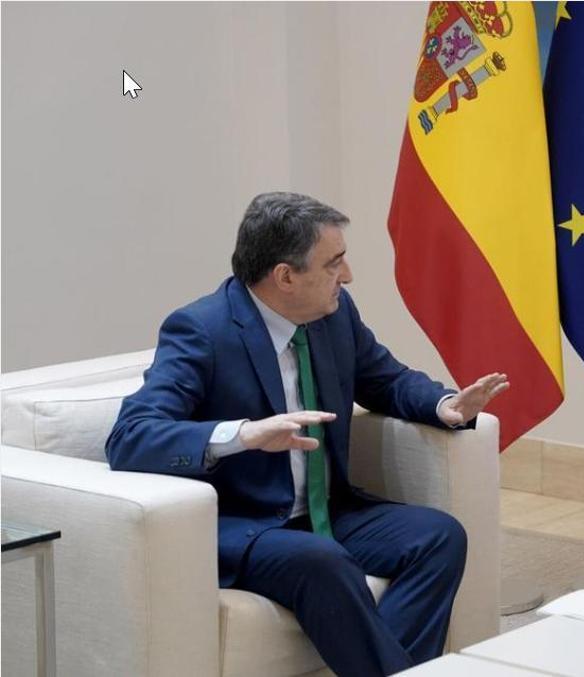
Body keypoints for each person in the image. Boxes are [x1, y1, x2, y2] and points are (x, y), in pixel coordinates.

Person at [106, 192, 508, 675]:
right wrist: (244, 435)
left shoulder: (334, 314)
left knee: (439, 536)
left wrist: (446, 406)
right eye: (334, 263)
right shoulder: (203, 330)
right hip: (247, 524)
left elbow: (386, 379)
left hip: (328, 509)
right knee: (323, 561)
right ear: (285, 276)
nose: (349, 275)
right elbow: (131, 436)